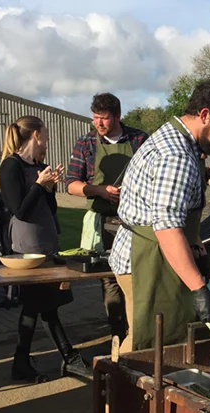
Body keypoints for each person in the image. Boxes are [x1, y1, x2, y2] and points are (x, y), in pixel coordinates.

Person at [109, 77, 210, 353]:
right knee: (148, 347)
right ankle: (119, 394)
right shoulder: (177, 155)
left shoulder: (177, 139)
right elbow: (167, 227)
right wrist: (198, 288)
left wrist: (197, 250)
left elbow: (177, 214)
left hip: (154, 255)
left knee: (155, 343)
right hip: (147, 260)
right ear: (205, 115)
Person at [0, 115, 91, 382]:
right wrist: (39, 185)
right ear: (36, 135)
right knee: (40, 304)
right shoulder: (10, 167)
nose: (47, 142)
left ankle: (27, 362)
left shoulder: (40, 166)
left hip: (47, 241)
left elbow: (49, 209)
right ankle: (66, 359)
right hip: (26, 246)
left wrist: (49, 188)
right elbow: (20, 211)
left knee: (43, 305)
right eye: (46, 136)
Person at [66, 93, 147, 342]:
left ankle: (139, 332)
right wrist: (98, 190)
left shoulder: (139, 139)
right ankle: (117, 333)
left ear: (118, 116)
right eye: (95, 118)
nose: (99, 123)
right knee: (109, 279)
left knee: (137, 276)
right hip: (103, 222)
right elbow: (71, 184)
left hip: (135, 222)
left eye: (104, 118)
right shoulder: (86, 143)